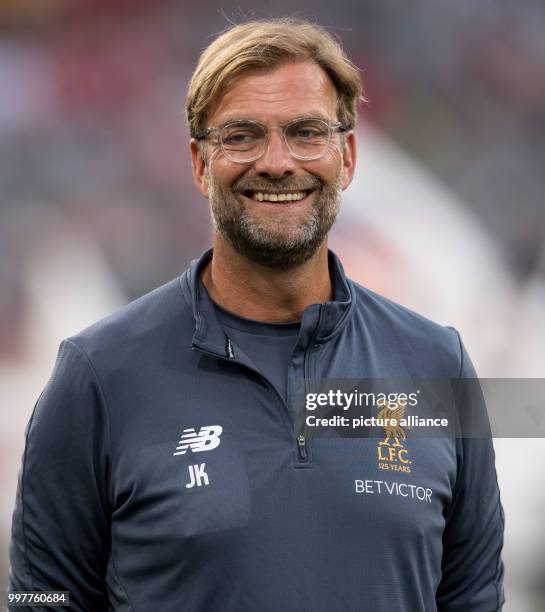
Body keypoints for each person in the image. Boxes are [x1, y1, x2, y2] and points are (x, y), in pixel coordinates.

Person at [9, 18, 505, 611]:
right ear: (198, 163)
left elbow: (473, 597)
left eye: (306, 133)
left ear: (346, 157)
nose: (276, 162)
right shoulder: (98, 374)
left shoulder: (437, 363)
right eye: (241, 136)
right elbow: (43, 601)